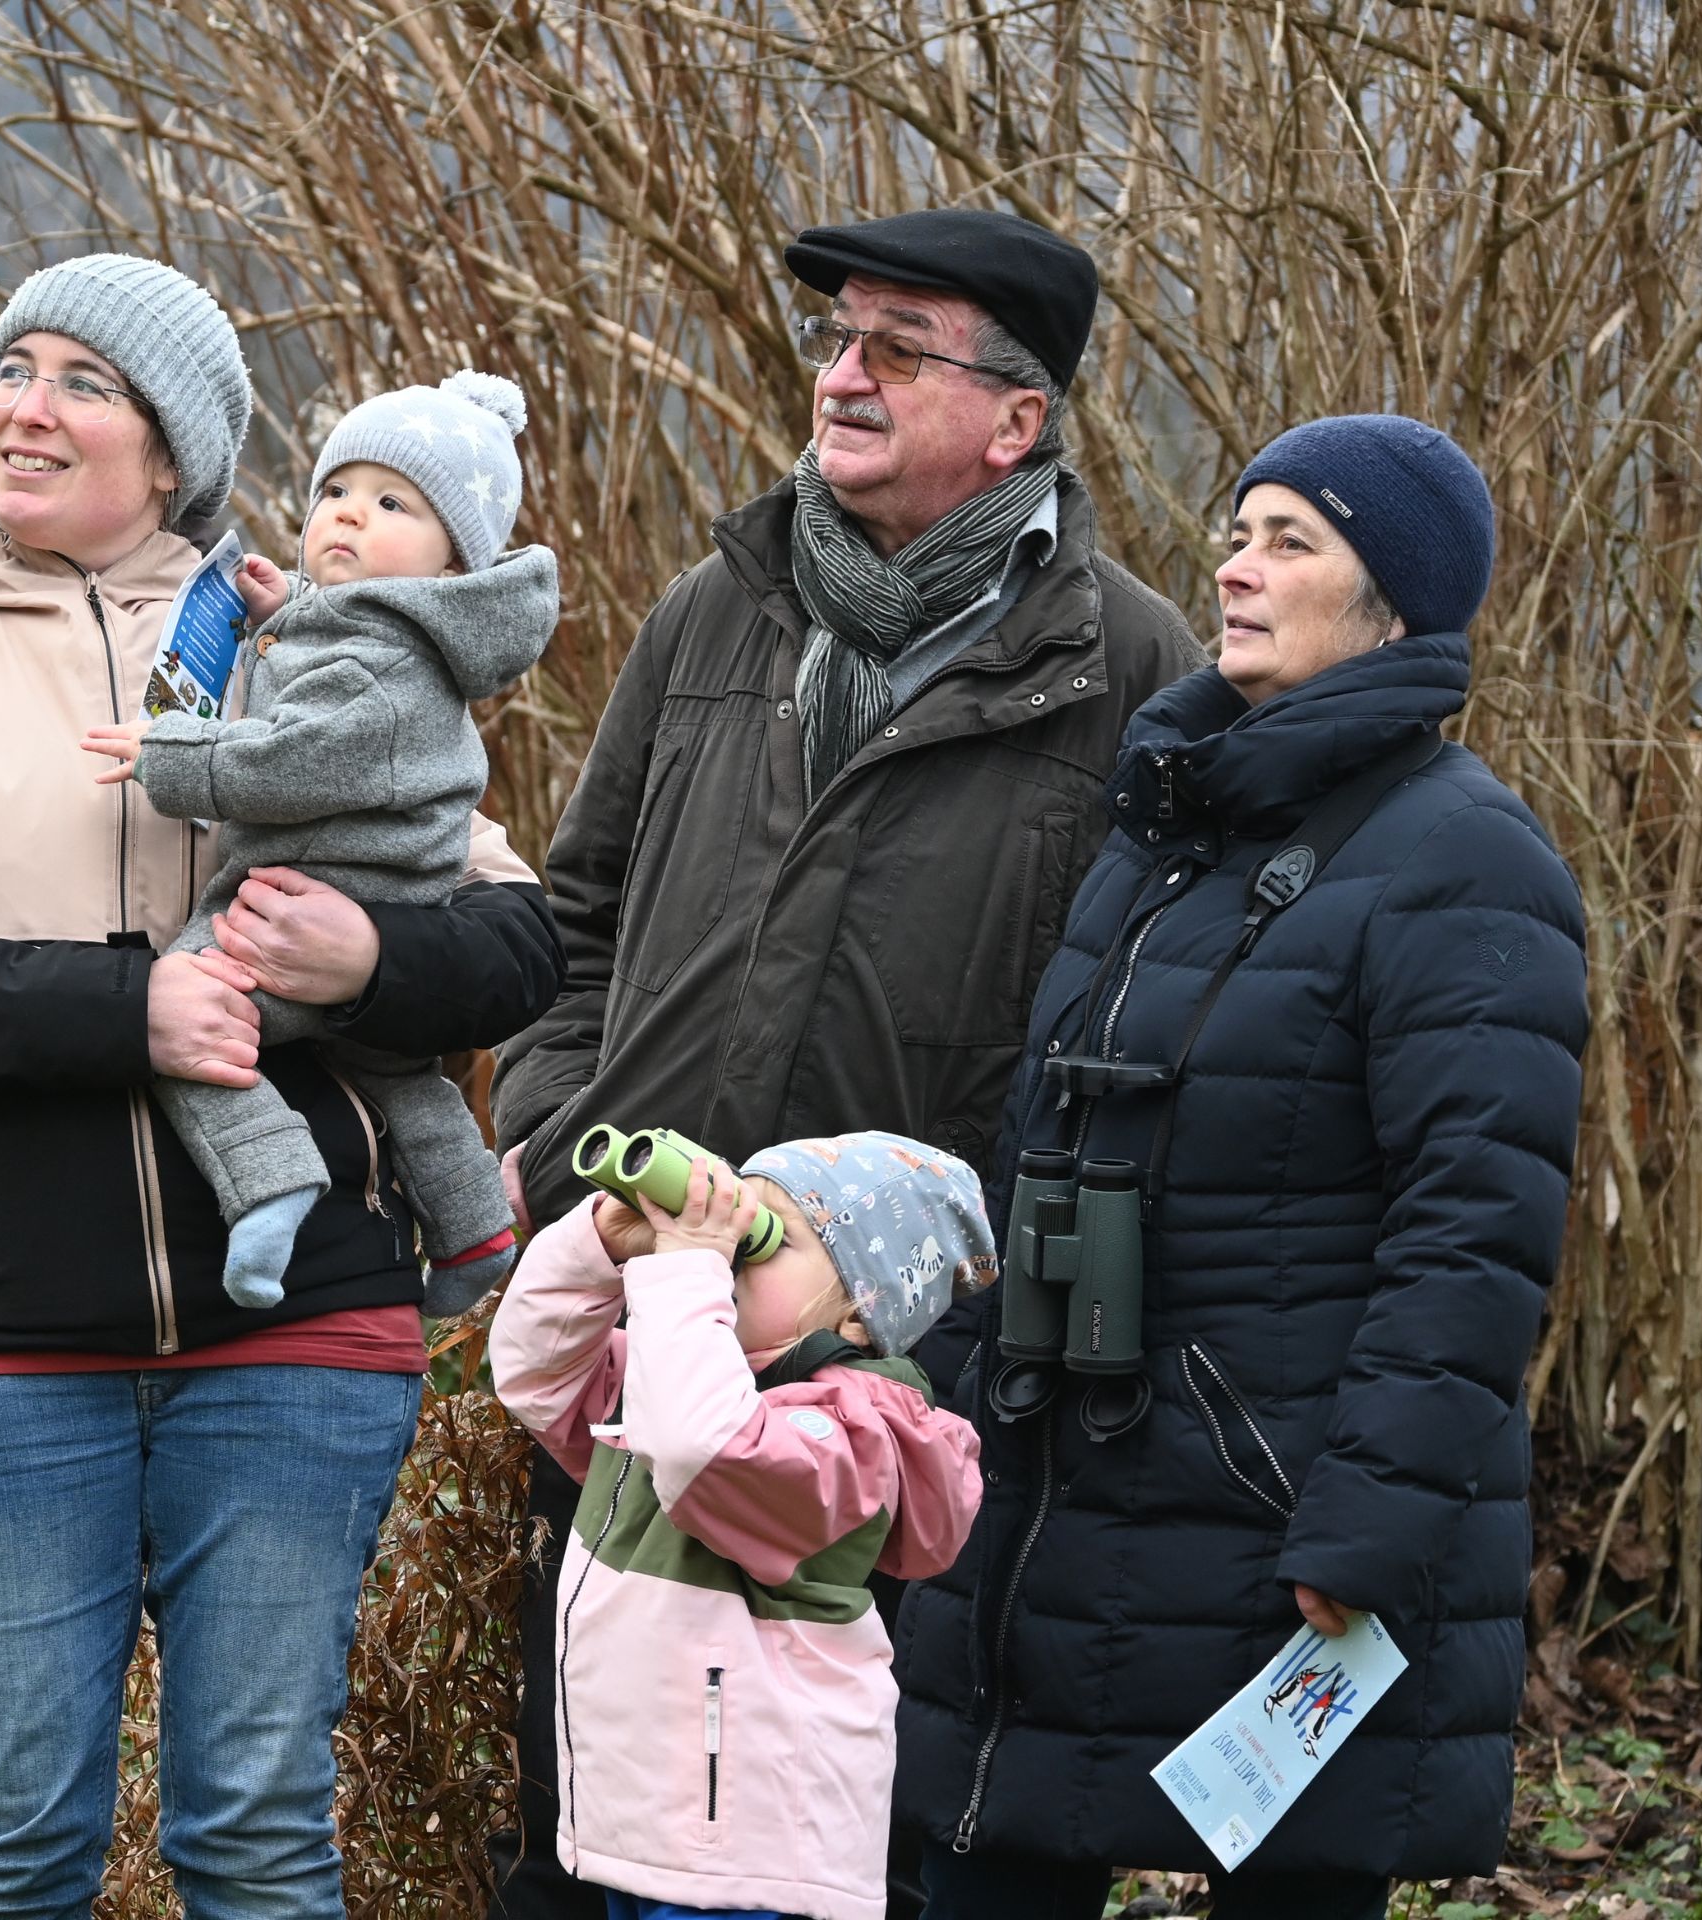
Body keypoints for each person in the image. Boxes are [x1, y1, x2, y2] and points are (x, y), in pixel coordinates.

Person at [0, 252, 563, 1920]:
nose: (22, 409)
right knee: (19, 1845)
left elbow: (517, 938)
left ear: (169, 451)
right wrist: (132, 1011)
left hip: (297, 1334)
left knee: (255, 1839)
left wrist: (365, 966)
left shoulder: (311, 649)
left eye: (78, 382)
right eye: (9, 371)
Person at [485, 208, 1206, 1917]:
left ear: (1017, 418)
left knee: (879, 1844)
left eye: (898, 345)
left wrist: (1014, 1314)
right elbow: (573, 915)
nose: (842, 373)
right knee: (594, 1825)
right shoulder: (713, 610)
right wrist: (550, 1133)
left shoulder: (1135, 670)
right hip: (642, 1334)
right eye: (838, 339)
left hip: (903, 1374)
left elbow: (1155, 1035)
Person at [893, 416, 1589, 1918]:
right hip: (1059, 1502)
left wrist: (1368, 1530)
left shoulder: (1469, 860)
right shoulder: (1166, 831)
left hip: (1288, 1530)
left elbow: (1475, 1233)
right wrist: (939, 1414)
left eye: (1293, 541)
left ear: (1393, 602)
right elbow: (1039, 1149)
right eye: (1239, 528)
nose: (1237, 566)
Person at [85, 369, 558, 1315]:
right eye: (335, 493)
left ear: (452, 566)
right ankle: (475, 1233)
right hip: (390, 883)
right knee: (400, 1077)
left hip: (312, 888)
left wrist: (173, 754)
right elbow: (338, 658)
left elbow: (297, 758)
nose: (347, 515)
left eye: (391, 504)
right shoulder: (389, 638)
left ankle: (269, 1184)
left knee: (191, 1017)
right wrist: (287, 608)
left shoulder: (381, 669)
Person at [491, 1133, 990, 1920]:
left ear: (859, 1312)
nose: (729, 1249)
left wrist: (686, 1264)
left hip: (756, 1850)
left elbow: (706, 1447)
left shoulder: (851, 1433)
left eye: (766, 1239)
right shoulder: (681, 1379)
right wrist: (600, 1244)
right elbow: (532, 1374)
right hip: (648, 1824)